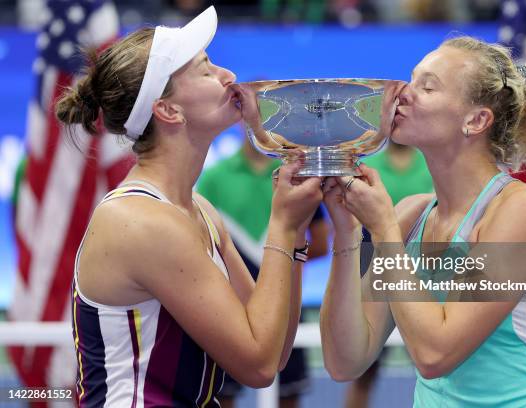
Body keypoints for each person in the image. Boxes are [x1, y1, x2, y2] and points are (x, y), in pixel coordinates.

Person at [55, 7, 322, 406]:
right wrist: (283, 226)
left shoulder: (197, 209)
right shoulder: (141, 222)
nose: (227, 75)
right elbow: (259, 366)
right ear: (168, 110)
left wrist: (296, 234)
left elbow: (276, 345)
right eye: (205, 69)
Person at [320, 36, 526, 406]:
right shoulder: (410, 216)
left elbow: (436, 355)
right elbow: (345, 361)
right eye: (411, 80)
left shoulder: (525, 211)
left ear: (476, 120)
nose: (403, 93)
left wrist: (383, 233)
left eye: (427, 86)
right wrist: (348, 233)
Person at [196, 135, 329, 408]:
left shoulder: (297, 179)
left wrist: (284, 256)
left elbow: (320, 242)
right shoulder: (213, 179)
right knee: (223, 392)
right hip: (229, 306)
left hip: (286, 301)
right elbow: (202, 247)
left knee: (288, 390)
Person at [345, 140, 432, 408]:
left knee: (431, 363)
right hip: (375, 274)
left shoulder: (432, 167)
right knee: (362, 372)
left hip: (422, 280)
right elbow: (355, 226)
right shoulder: (368, 167)